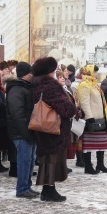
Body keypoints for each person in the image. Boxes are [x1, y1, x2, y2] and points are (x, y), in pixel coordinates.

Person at [32, 57, 77, 201]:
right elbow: (66, 108)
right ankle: (49, 190)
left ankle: (48, 189)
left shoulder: (37, 85)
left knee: (47, 159)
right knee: (51, 159)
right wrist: (73, 109)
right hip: (53, 129)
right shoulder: (50, 86)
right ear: (50, 72)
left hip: (44, 127)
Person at [7, 62, 38, 198]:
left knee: (30, 160)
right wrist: (26, 132)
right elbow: (17, 114)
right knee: (24, 161)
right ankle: (22, 189)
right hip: (21, 132)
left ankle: (27, 186)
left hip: (28, 131)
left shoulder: (25, 87)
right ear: (27, 74)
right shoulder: (16, 89)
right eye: (31, 73)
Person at [77, 65, 107, 172]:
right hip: (91, 119)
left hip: (100, 117)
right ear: (88, 73)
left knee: (101, 142)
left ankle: (100, 164)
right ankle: (88, 166)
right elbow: (84, 102)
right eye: (95, 72)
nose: (96, 74)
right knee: (88, 144)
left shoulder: (95, 85)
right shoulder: (84, 85)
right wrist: (89, 116)